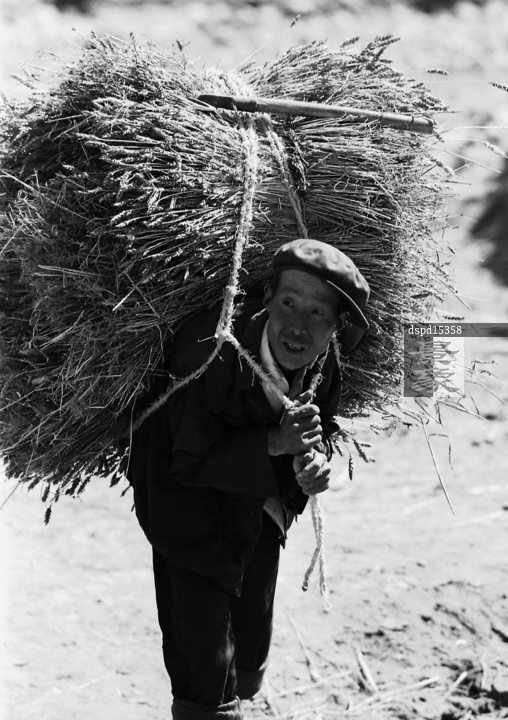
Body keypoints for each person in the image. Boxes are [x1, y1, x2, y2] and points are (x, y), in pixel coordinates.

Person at [127, 238, 370, 720]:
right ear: (267, 299)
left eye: (318, 313)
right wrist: (274, 443)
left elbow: (319, 428)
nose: (298, 327)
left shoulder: (326, 363)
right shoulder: (208, 352)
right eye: (289, 303)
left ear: (337, 326)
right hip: (186, 510)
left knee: (249, 648)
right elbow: (184, 458)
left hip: (258, 507)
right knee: (204, 669)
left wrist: (313, 463)